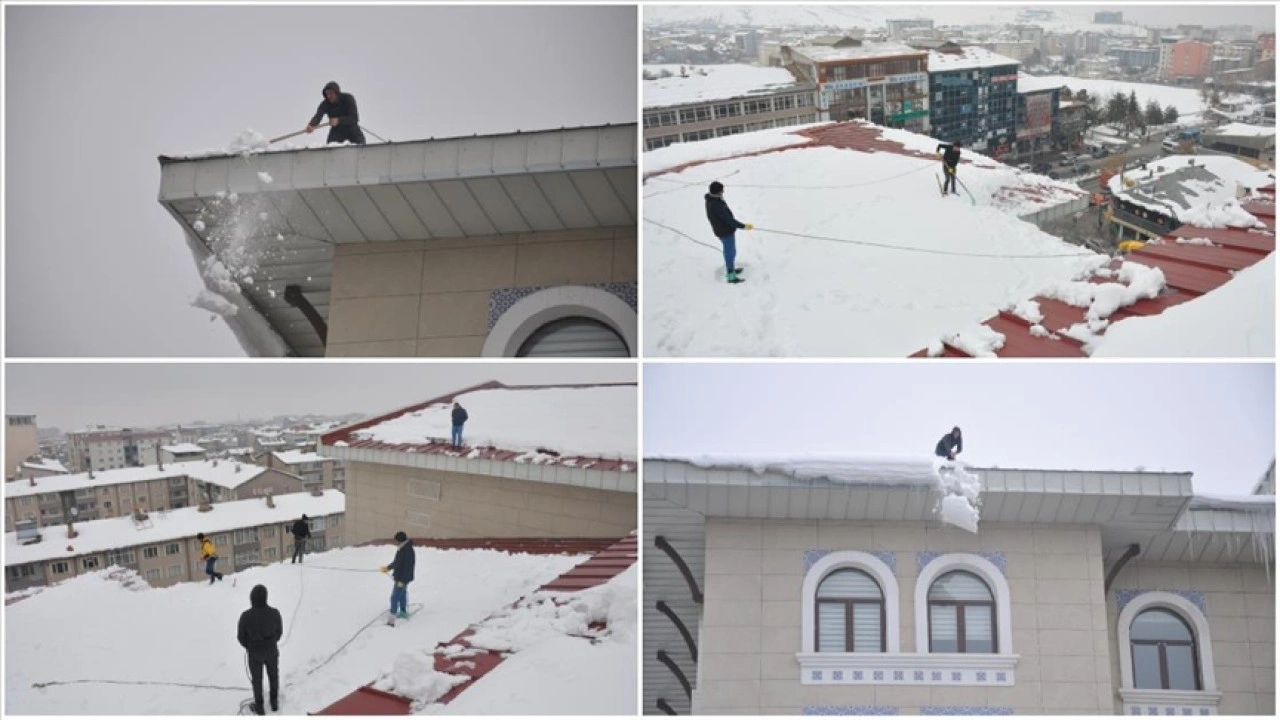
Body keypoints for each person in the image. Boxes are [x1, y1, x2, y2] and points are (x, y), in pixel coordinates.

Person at [237, 584, 283, 716]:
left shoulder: (245, 616)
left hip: (254, 653)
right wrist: (270, 643)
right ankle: (274, 702)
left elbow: (240, 637)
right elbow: (279, 633)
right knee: (273, 676)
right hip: (271, 651)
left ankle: (260, 706)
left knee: (257, 680)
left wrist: (250, 646)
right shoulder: (275, 613)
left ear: (252, 598)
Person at [704, 181, 753, 285]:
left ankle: (731, 269)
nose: (723, 191)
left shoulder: (711, 199)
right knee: (730, 253)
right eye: (722, 190)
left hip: (721, 230)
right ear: (718, 192)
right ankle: (731, 275)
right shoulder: (716, 205)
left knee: (732, 251)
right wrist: (744, 226)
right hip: (725, 232)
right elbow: (729, 220)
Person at [305, 81, 366, 145]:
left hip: (352, 129)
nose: (329, 96)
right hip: (337, 130)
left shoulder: (348, 98)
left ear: (337, 93)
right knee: (330, 148)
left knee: (361, 146)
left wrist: (338, 120)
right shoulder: (325, 104)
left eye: (331, 93)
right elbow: (318, 116)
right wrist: (311, 125)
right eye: (327, 94)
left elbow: (354, 118)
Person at [379, 531, 416, 622]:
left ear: (400, 540)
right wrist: (388, 568)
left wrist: (402, 581)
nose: (395, 542)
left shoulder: (407, 550)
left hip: (403, 578)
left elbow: (408, 567)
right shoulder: (402, 548)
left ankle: (391, 618)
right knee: (402, 594)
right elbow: (397, 562)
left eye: (396, 540)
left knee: (394, 597)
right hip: (401, 577)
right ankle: (403, 612)